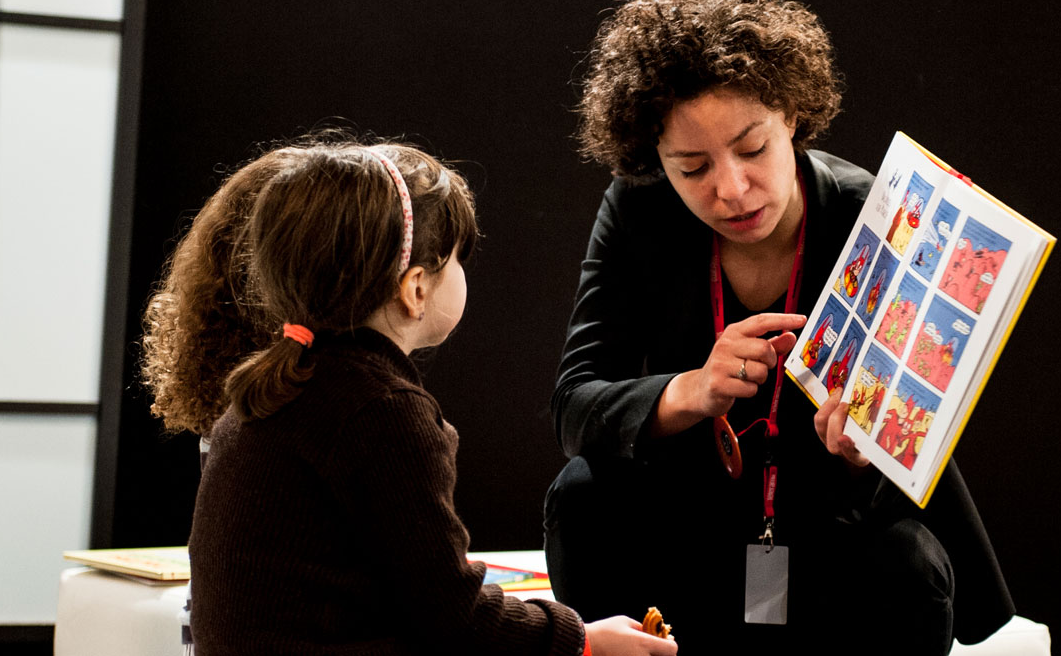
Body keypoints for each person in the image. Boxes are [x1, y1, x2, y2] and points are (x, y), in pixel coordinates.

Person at [547, 0, 1016, 652]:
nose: (731, 190)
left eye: (751, 149)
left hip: (828, 530)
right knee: (582, 497)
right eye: (692, 166)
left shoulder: (878, 219)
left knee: (908, 563)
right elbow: (575, 407)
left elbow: (905, 473)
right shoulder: (638, 208)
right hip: (693, 528)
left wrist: (865, 456)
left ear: (791, 117)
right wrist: (689, 391)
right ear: (656, 159)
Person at [148, 137, 677, 655]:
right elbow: (457, 619)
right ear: (416, 287)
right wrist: (579, 638)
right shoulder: (381, 411)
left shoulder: (268, 391)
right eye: (456, 259)